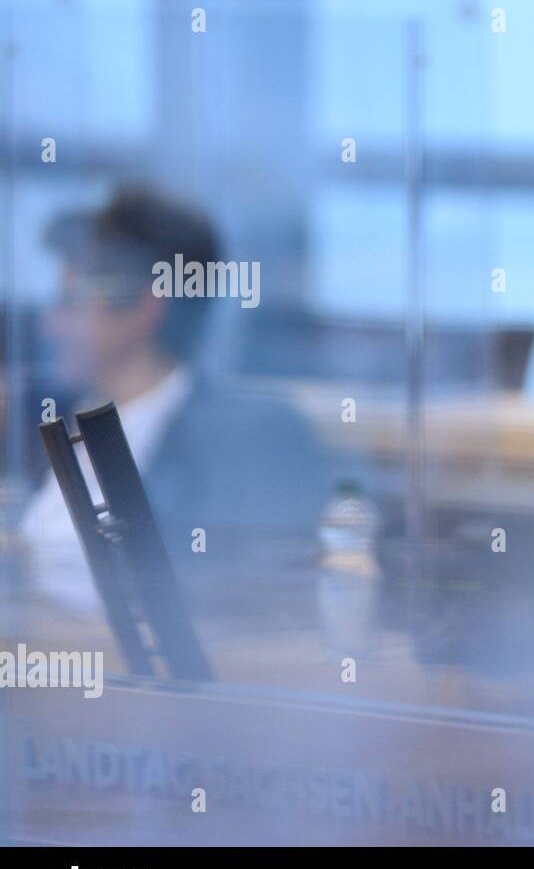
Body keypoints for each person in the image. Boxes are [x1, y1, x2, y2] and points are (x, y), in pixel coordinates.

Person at [19, 184, 344, 620]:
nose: (51, 322)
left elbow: (234, 617)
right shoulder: (52, 421)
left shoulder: (246, 441)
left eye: (69, 302)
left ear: (143, 310)